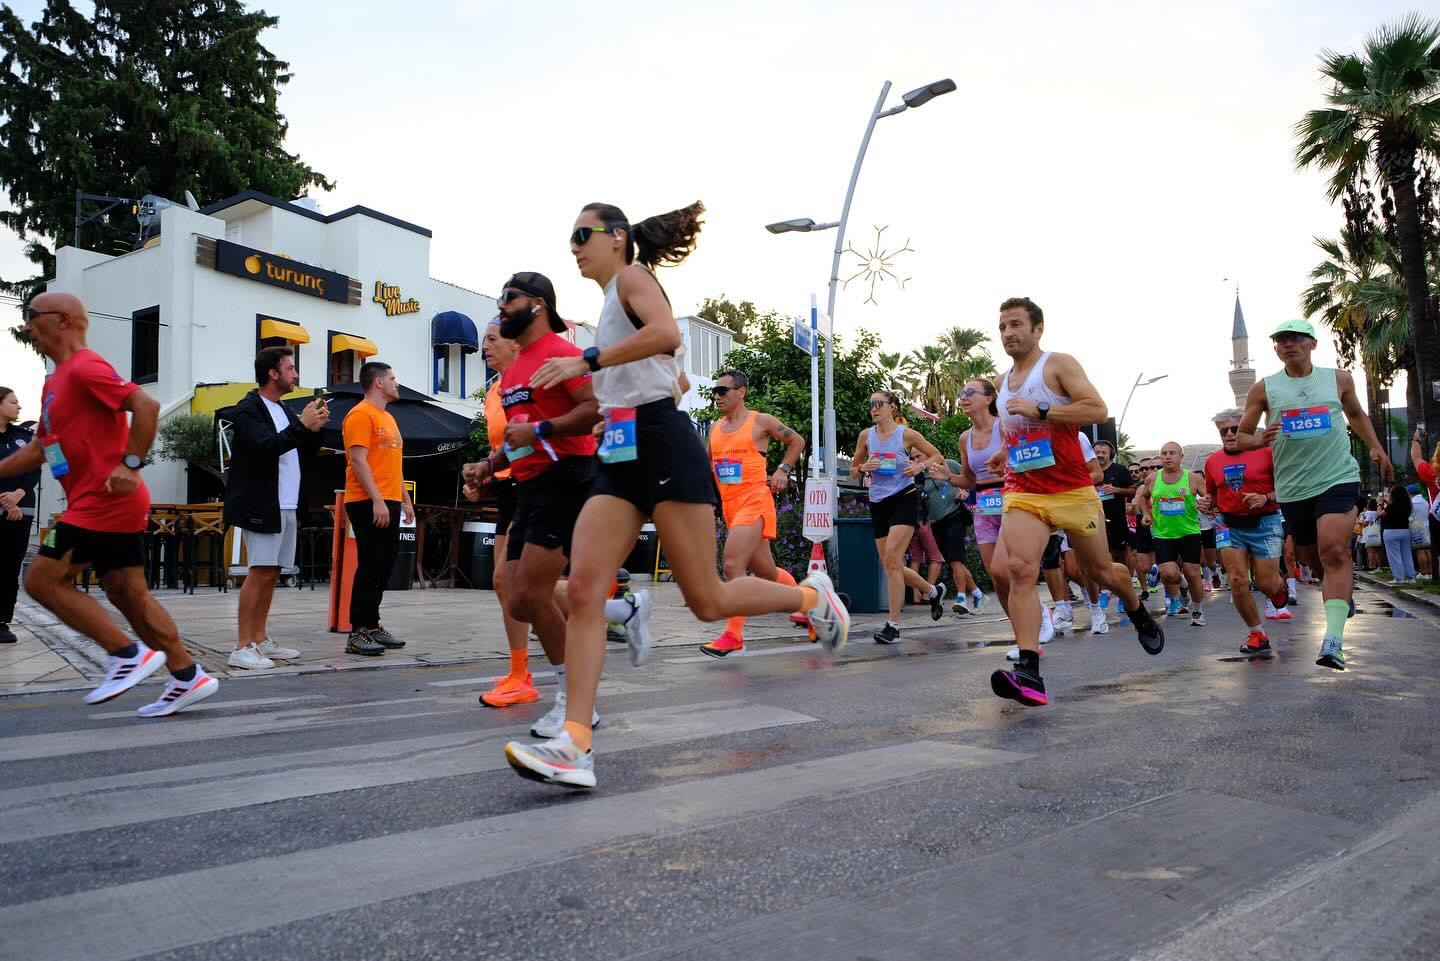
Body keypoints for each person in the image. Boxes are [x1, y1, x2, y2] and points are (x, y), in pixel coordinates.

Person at [505, 200, 847, 788]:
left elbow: (665, 333)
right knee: (585, 588)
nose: (575, 246)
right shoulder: (609, 304)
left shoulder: (633, 279)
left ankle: (814, 601)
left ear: (617, 237)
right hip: (618, 452)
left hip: (661, 444)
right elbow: (674, 371)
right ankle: (576, 744)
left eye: (583, 234)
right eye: (571, 238)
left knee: (709, 599)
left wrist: (587, 360)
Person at [1, 293, 218, 715]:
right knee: (127, 594)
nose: (26, 327)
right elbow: (41, 448)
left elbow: (146, 404)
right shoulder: (55, 382)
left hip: (103, 500)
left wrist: (132, 463)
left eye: (31, 317)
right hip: (104, 502)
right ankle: (188, 675)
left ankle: (124, 654)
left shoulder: (85, 366)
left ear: (62, 320)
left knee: (41, 582)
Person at [463, 271, 651, 739]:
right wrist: (490, 464)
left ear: (538, 305)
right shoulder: (515, 370)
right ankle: (620, 615)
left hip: (567, 478)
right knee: (520, 594)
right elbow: (520, 433)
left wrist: (540, 433)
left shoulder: (563, 355)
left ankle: (575, 704)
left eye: (510, 298)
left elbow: (593, 411)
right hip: (528, 485)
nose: (502, 306)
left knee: (529, 592)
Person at [987, 297, 1164, 707]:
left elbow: (1096, 408)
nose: (1009, 332)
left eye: (1016, 324)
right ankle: (1029, 669)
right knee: (1019, 568)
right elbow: (1014, 428)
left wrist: (1043, 408)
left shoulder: (1057, 365)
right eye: (1002, 327)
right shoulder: (1001, 382)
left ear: (1037, 329)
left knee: (1100, 572)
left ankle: (1137, 609)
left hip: (1071, 490)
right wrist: (1004, 451)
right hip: (1024, 490)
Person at [1236, 318, 1392, 670]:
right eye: (1281, 340)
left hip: (1337, 476)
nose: (1288, 344)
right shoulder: (1264, 389)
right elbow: (1241, 436)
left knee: (1334, 548)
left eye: (1296, 338)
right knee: (1310, 558)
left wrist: (1377, 448)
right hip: (1293, 487)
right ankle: (1341, 593)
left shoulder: (1338, 379)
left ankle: (1333, 641)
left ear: (1312, 344)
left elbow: (1355, 413)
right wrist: (1259, 439)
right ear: (1276, 349)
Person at [223, 347, 327, 670]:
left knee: (272, 573)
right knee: (258, 572)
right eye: (291, 368)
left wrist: (313, 427)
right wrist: (301, 426)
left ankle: (260, 637)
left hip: (287, 503)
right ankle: (242, 645)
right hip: (262, 503)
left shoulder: (283, 410)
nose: (296, 374)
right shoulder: (248, 410)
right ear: (273, 373)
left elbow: (299, 451)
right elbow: (265, 447)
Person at [700, 370, 804, 658]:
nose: (716, 396)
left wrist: (783, 470)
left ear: (741, 392)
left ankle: (733, 635)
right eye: (714, 391)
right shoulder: (715, 429)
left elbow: (796, 441)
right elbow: (708, 468)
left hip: (755, 502)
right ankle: (809, 603)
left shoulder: (761, 421)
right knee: (766, 572)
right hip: (732, 507)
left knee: (732, 564)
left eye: (723, 391)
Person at [473, 320, 539, 706]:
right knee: (509, 586)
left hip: (538, 487)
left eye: (492, 339)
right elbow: (504, 446)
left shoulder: (531, 384)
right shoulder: (495, 391)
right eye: (483, 341)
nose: (485, 347)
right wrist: (483, 473)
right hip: (508, 490)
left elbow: (536, 438)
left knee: (510, 582)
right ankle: (519, 672)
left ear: (516, 344)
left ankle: (522, 675)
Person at [851, 389, 948, 644]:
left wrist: (919, 466)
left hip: (904, 497)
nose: (874, 408)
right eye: (871, 404)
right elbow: (852, 470)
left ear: (892, 406)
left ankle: (893, 626)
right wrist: (862, 468)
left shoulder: (907, 435)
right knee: (890, 564)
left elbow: (936, 454)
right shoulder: (866, 436)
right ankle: (932, 590)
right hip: (878, 501)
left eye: (879, 404)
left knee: (893, 558)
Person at [1199, 408, 1292, 656]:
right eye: (1223, 431)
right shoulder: (1212, 461)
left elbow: (1289, 487)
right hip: (1228, 524)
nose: (1229, 435)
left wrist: (1265, 497)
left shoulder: (1268, 453)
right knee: (1237, 579)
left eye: (1235, 429)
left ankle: (1278, 588)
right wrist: (1206, 502)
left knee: (1266, 584)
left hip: (1266, 522)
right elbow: (1212, 495)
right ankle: (1257, 633)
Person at [341, 361, 414, 656]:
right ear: (378, 383)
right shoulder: (360, 415)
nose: (397, 383)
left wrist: (405, 501)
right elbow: (358, 461)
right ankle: (358, 630)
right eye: (393, 378)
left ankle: (372, 626)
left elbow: (392, 466)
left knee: (385, 565)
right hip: (366, 500)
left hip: (389, 500)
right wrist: (377, 500)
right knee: (371, 564)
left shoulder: (389, 419)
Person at [1135, 442, 1208, 626]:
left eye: (1172, 453)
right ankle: (1182, 586)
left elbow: (1208, 497)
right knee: (1168, 574)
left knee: (1193, 574)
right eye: (1164, 453)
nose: (1167, 456)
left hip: (1189, 533)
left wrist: (1206, 503)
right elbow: (1143, 497)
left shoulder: (1192, 478)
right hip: (1163, 534)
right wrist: (1146, 514)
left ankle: (1197, 610)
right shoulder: (1152, 479)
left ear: (1181, 456)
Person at [918, 454, 983, 616]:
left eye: (918, 456)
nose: (916, 460)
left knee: (955, 559)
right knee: (955, 563)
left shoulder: (948, 465)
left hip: (956, 515)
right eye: (913, 458)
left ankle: (961, 599)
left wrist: (964, 491)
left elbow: (969, 480)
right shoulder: (919, 476)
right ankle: (978, 595)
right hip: (937, 522)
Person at [0, 386, 39, 644]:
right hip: (6, 506)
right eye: (13, 402)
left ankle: (2, 622)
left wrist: (17, 496)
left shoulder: (25, 437)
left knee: (9, 567)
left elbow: (34, 468)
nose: (19, 407)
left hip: (20, 512)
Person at [1381, 483, 1418, 583]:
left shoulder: (1391, 506)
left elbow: (1380, 515)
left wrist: (1380, 504)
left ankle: (1399, 578)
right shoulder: (1408, 505)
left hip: (1391, 532)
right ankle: (1411, 577)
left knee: (1394, 555)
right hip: (1405, 531)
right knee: (1407, 554)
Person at [1407, 483, 1432, 576]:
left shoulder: (1412, 503)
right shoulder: (1425, 502)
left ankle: (1423, 572)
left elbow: (1409, 518)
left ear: (1410, 493)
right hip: (1427, 527)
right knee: (1427, 550)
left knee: (1419, 551)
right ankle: (1430, 571)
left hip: (1417, 528)